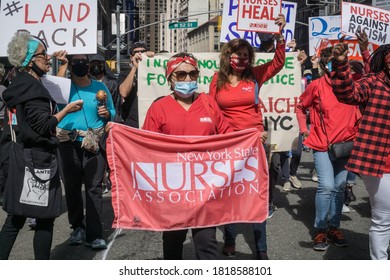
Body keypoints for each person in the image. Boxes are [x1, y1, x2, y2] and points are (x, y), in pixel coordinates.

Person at [209, 14, 286, 260]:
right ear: (227, 56)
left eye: (245, 55)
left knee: (257, 194)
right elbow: (211, 110)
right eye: (237, 54)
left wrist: (279, 36)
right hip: (228, 143)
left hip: (255, 142)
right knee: (230, 193)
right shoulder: (216, 79)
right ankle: (230, 240)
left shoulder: (255, 75)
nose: (241, 59)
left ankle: (261, 247)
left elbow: (278, 62)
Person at [0, 32, 83, 259]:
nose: (47, 58)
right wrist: (67, 110)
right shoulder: (33, 90)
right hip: (38, 162)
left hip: (22, 157)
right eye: (42, 55)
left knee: (16, 217)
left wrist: (62, 67)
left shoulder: (21, 83)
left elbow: (49, 91)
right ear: (29, 60)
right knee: (44, 219)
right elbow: (43, 125)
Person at [143, 52, 232, 260]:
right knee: (173, 242)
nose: (188, 79)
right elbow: (146, 147)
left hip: (206, 187)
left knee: (207, 244)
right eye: (181, 74)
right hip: (174, 189)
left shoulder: (209, 103)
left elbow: (229, 137)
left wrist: (253, 138)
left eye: (192, 73)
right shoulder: (159, 108)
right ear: (170, 78)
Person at [295, 46, 361, 252]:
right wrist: (303, 129)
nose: (336, 64)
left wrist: (365, 50)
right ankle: (321, 229)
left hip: (346, 145)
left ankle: (334, 228)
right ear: (324, 65)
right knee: (326, 186)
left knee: (340, 187)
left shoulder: (353, 83)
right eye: (332, 61)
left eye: (339, 60)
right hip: (322, 144)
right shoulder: (316, 85)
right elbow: (300, 107)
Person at [331, 41, 390, 260]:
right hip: (380, 160)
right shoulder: (373, 81)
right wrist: (341, 64)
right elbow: (349, 94)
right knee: (383, 218)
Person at [56, 54, 116, 250]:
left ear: (88, 65)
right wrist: (62, 65)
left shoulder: (100, 88)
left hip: (93, 143)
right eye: (76, 62)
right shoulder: (62, 87)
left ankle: (95, 233)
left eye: (84, 61)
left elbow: (113, 112)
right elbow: (53, 91)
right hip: (67, 143)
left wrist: (107, 114)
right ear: (71, 65)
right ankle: (77, 228)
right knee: (72, 187)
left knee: (94, 188)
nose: (81, 65)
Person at [118, 41, 155, 127]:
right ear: (131, 57)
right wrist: (135, 67)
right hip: (132, 122)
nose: (139, 54)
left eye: (142, 52)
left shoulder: (154, 72)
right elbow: (123, 92)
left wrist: (154, 58)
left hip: (152, 120)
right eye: (135, 52)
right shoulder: (125, 74)